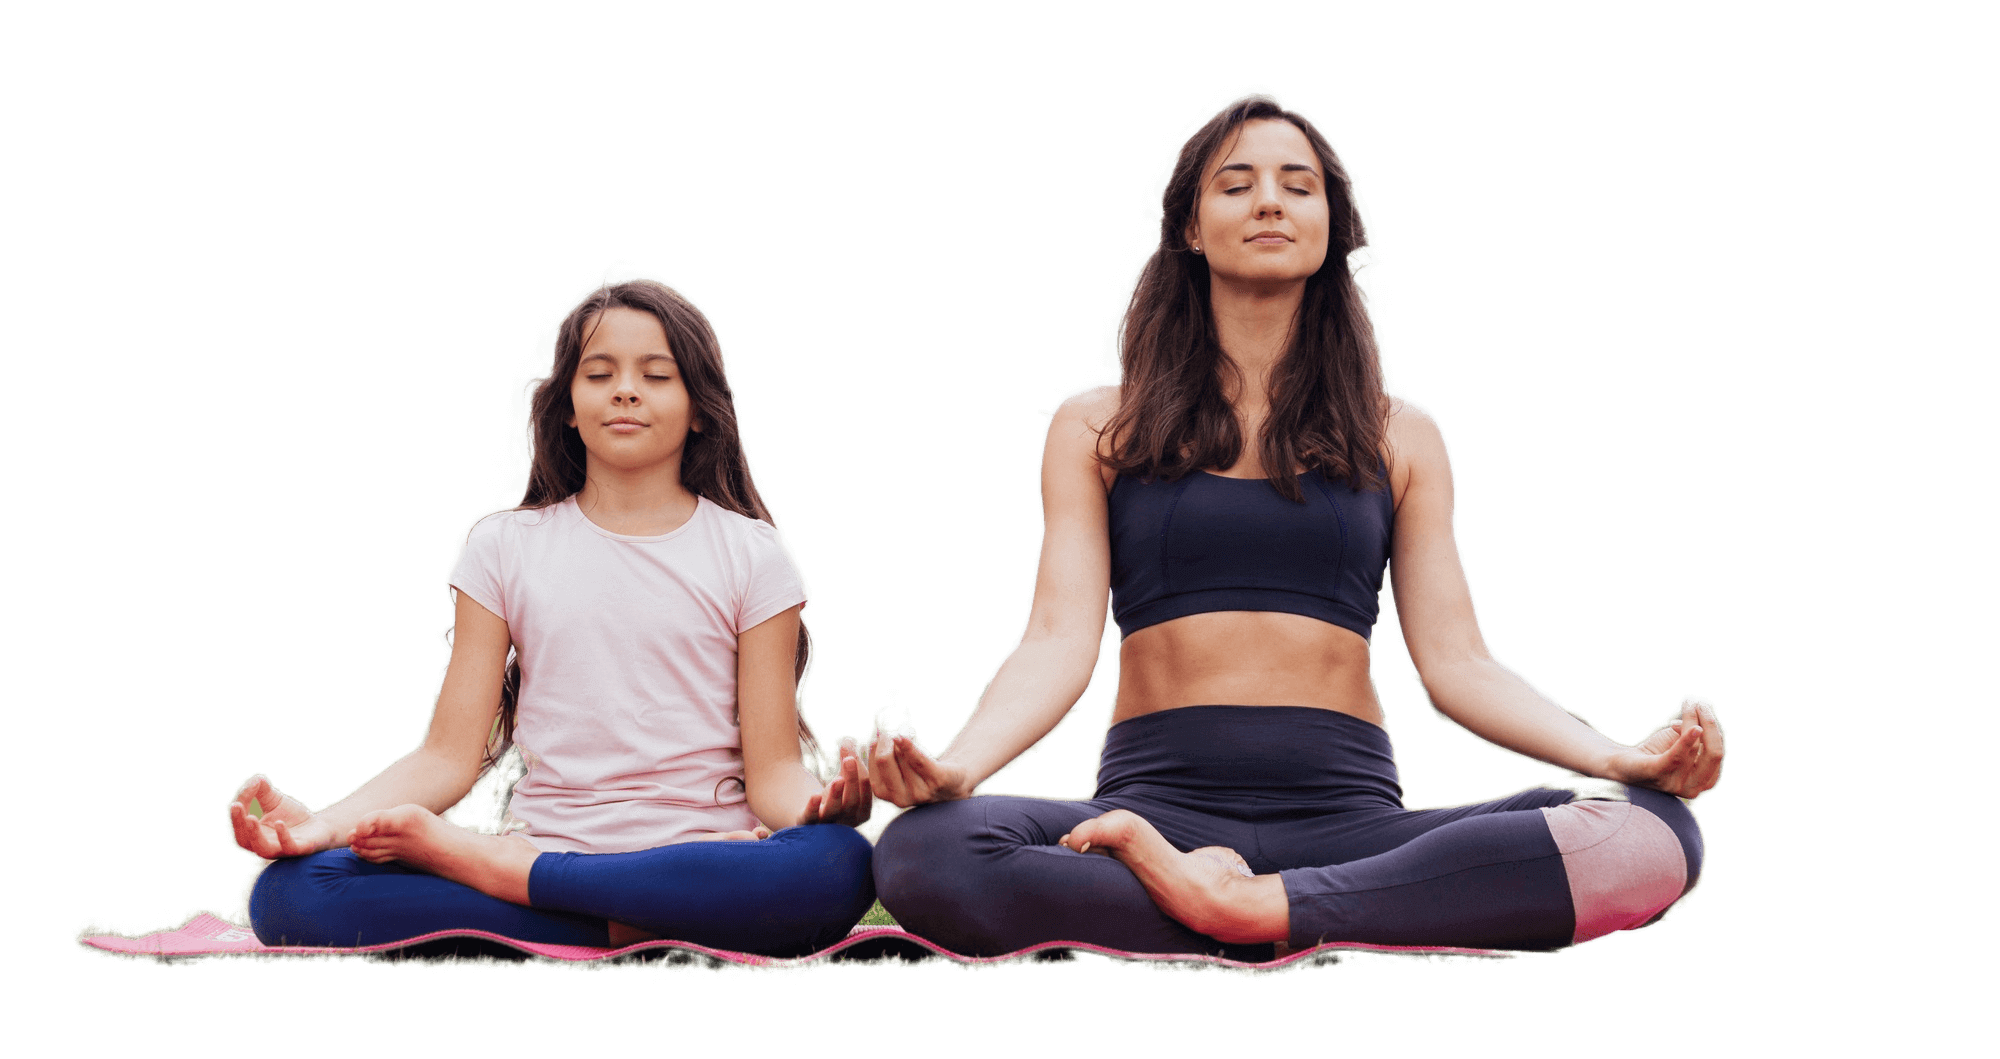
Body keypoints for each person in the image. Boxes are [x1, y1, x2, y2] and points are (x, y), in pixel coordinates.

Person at [865, 90, 1724, 959]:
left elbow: (1459, 662)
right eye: (1237, 185)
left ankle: (1248, 906)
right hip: (1151, 810)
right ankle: (1297, 905)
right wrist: (960, 767)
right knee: (925, 852)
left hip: (1351, 821)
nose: (1270, 202)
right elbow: (1055, 640)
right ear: (1190, 227)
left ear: (1332, 226)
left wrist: (1618, 758)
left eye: (1298, 186)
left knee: (1651, 833)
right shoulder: (1096, 426)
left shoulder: (1402, 434)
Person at [230, 272, 876, 954]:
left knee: (838, 860)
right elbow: (447, 754)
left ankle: (523, 879)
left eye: (656, 375)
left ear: (699, 408)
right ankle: (632, 911)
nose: (625, 390)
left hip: (705, 854)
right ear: (567, 403)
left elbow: (772, 771)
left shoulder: (752, 553)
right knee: (290, 892)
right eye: (599, 374)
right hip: (574, 848)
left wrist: (813, 810)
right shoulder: (504, 546)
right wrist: (323, 827)